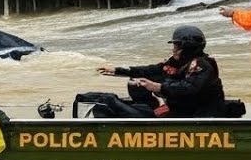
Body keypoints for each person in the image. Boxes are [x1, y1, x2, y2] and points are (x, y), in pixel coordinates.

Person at [96, 25, 228, 118]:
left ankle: (159, 113)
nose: (173, 49)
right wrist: (118, 70)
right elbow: (152, 70)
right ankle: (156, 108)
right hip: (182, 107)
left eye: (176, 45)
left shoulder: (202, 64)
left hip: (201, 113)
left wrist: (158, 87)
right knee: (135, 83)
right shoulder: (175, 61)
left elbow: (189, 87)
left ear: (186, 47)